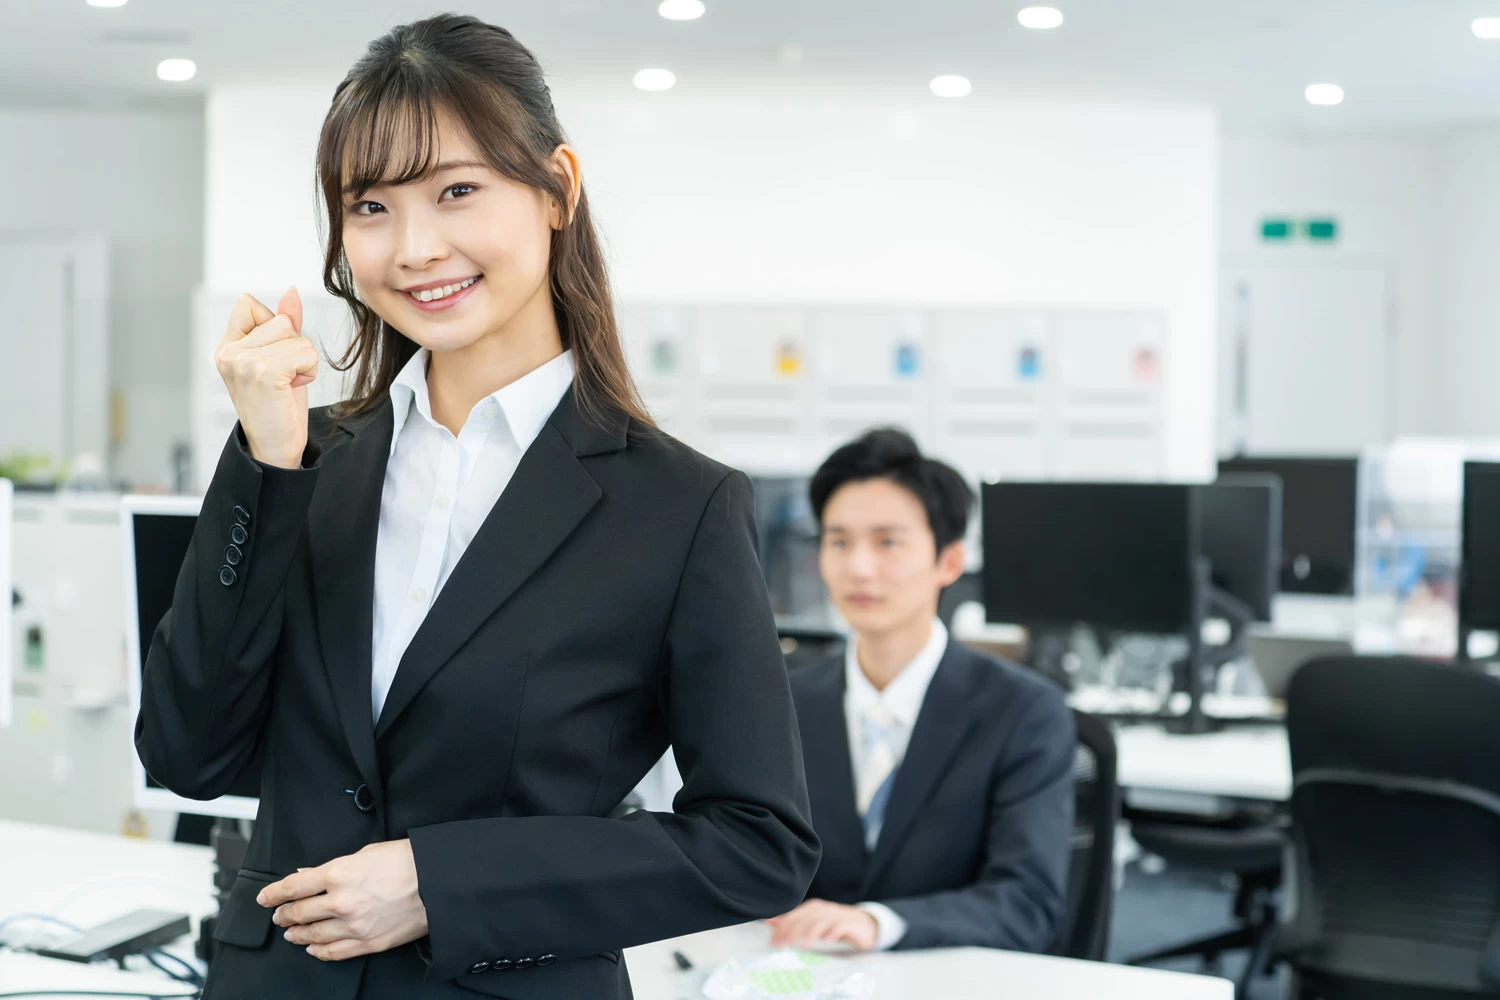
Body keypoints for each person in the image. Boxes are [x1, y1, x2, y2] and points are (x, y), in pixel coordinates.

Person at [134, 15, 818, 1000]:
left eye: (458, 191)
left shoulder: (680, 505)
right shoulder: (301, 458)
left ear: (557, 191)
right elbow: (184, 755)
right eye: (370, 206)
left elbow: (759, 842)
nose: (414, 248)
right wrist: (264, 463)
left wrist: (441, 881)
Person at [769, 428, 1074, 953]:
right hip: (808, 978)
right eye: (838, 541)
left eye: (888, 542)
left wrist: (878, 923)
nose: (859, 567)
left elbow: (1028, 902)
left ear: (949, 562)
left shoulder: (1023, 712)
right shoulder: (785, 702)